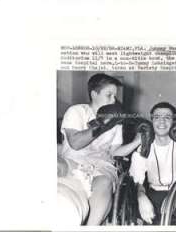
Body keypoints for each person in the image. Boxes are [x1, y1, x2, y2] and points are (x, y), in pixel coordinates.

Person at [59, 73, 142, 225]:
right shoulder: (77, 111)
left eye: (115, 96)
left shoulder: (116, 119)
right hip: (73, 161)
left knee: (104, 182)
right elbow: (75, 143)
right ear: (94, 94)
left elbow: (115, 151)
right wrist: (102, 124)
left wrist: (138, 141)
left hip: (101, 166)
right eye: (109, 95)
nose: (113, 100)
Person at [129, 102, 176, 225]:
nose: (161, 122)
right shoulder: (144, 147)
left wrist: (174, 196)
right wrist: (141, 196)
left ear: (174, 121)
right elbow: (137, 179)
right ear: (151, 121)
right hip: (153, 193)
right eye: (157, 117)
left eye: (167, 117)